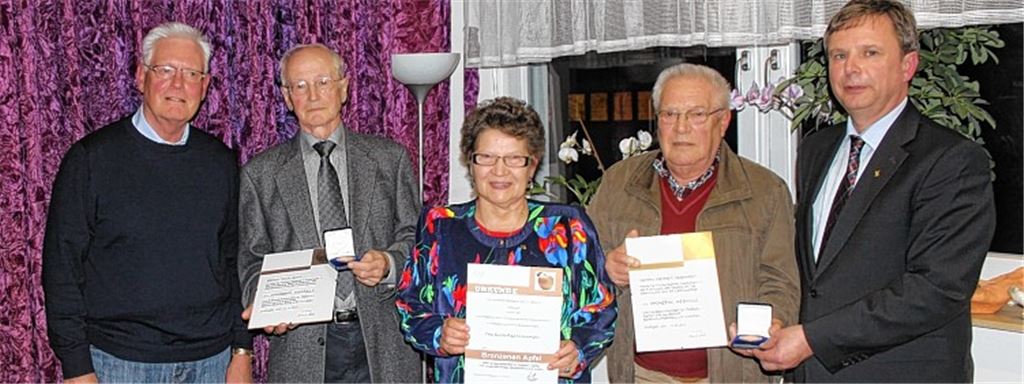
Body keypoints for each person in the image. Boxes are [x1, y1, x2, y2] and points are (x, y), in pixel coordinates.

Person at [749, 1, 997, 381]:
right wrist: (769, 320)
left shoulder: (952, 160)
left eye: (870, 53)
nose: (851, 69)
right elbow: (816, 274)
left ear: (907, 66)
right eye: (839, 55)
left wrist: (813, 339)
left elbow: (935, 290)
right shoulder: (817, 149)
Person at [42, 22, 251, 383]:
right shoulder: (91, 160)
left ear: (205, 86)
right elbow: (62, 271)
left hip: (212, 362)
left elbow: (234, 261)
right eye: (165, 70)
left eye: (191, 74)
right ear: (141, 76)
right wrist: (77, 368)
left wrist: (242, 350)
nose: (177, 84)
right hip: (120, 363)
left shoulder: (220, 162)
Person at [588, 63, 800, 382]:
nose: (681, 127)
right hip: (643, 375)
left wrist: (772, 321)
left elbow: (779, 280)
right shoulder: (618, 184)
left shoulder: (765, 191)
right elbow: (581, 271)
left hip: (731, 373)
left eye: (696, 114)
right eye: (670, 114)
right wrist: (608, 268)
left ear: (723, 121)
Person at [396, 97, 617, 383]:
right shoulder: (441, 226)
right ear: (470, 162)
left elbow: (602, 307)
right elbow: (409, 305)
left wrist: (578, 349)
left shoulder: (567, 226)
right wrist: (440, 333)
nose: (499, 171)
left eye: (514, 159)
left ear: (532, 165)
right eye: (486, 157)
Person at [237, 43, 421, 383]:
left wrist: (389, 263)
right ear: (287, 97)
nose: (313, 95)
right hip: (301, 350)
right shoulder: (259, 174)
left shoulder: (389, 159)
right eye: (300, 86)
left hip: (383, 343)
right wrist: (267, 304)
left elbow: (417, 240)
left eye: (322, 81)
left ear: (344, 87)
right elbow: (251, 262)